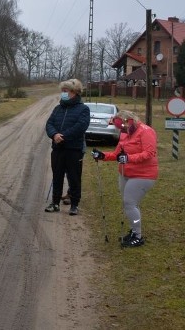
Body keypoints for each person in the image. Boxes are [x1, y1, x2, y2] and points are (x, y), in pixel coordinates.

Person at [92, 110, 158, 247]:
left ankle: (138, 236)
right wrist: (102, 155)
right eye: (119, 128)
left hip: (143, 174)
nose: (122, 130)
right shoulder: (124, 134)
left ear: (129, 120)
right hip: (125, 173)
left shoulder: (146, 131)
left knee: (129, 203)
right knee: (129, 204)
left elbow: (149, 153)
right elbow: (117, 154)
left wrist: (129, 158)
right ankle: (134, 231)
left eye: (123, 126)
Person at [44, 78, 89, 215]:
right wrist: (54, 135)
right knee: (57, 177)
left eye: (66, 91)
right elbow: (49, 124)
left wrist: (62, 136)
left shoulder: (83, 109)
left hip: (73, 150)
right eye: (62, 91)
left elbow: (81, 126)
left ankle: (74, 204)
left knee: (74, 178)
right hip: (57, 149)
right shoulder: (58, 108)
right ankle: (55, 202)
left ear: (74, 92)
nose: (63, 93)